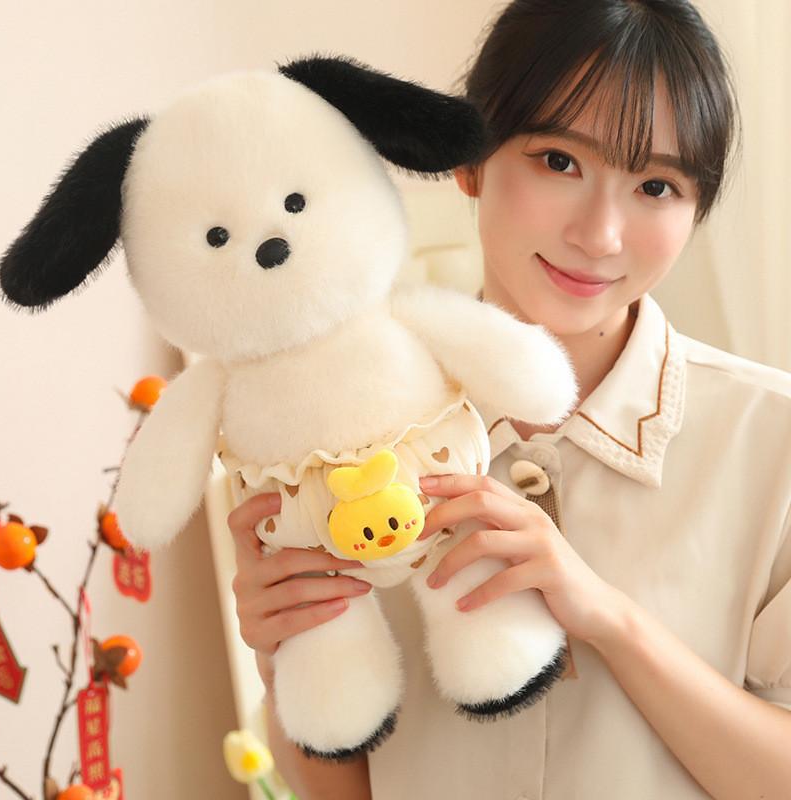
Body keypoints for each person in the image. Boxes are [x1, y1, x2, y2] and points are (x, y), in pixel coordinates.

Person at [226, 1, 791, 797]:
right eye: (560, 161)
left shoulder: (772, 442)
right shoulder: (334, 438)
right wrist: (284, 650)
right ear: (470, 157)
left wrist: (605, 618)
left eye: (656, 185)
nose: (600, 235)